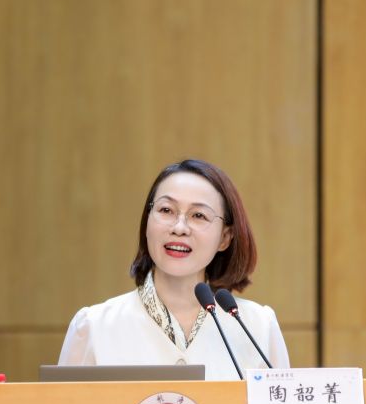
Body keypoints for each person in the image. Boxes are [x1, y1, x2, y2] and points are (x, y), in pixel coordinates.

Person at [58, 159, 289, 377]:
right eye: (166, 210)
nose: (179, 228)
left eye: (198, 215)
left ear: (225, 238)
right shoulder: (93, 327)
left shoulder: (258, 327)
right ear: (147, 221)